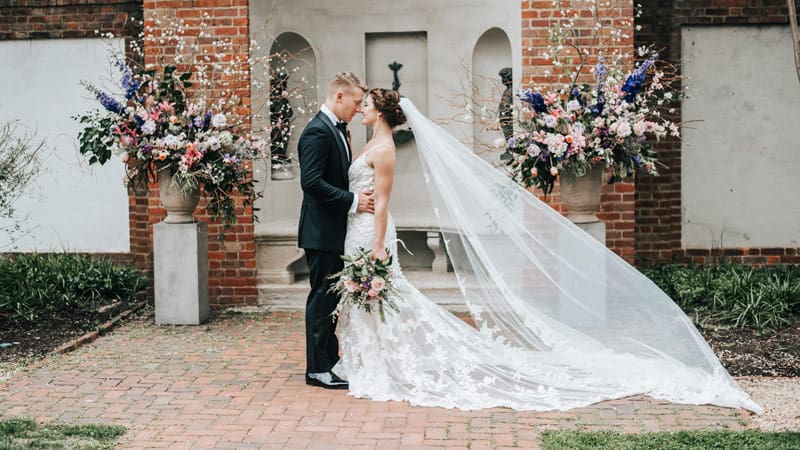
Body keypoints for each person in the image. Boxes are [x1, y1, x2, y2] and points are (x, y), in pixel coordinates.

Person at [332, 88, 762, 413]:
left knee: (386, 297)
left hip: (371, 232)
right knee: (375, 302)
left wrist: (376, 247)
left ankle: (379, 365)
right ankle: (367, 361)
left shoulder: (385, 149)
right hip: (358, 227)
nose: (362, 107)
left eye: (368, 103)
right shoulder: (368, 143)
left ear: (382, 112)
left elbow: (385, 203)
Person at [297, 72, 374, 390]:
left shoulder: (337, 129)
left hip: (333, 230)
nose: (358, 109)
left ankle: (330, 360)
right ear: (339, 97)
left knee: (330, 300)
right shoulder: (317, 131)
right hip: (321, 231)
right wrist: (354, 200)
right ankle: (317, 369)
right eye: (356, 102)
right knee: (321, 300)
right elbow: (311, 182)